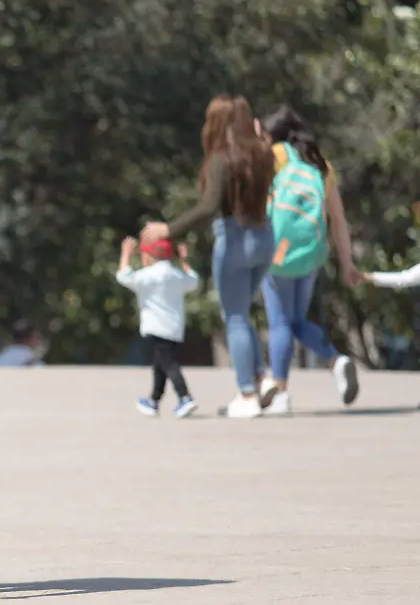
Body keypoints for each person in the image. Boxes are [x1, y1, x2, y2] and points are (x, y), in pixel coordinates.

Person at [141, 94, 276, 419]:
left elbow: (208, 206)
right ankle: (261, 377)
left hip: (235, 238)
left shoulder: (221, 158)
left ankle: (246, 394)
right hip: (264, 237)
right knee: (243, 313)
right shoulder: (260, 154)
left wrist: (168, 229)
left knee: (235, 317)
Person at [255, 105, 359, 415]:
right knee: (296, 321)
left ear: (272, 135)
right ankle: (335, 361)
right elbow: (337, 219)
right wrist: (347, 263)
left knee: (279, 323)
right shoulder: (320, 165)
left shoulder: (270, 160)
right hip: (312, 254)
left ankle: (282, 392)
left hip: (277, 252)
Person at [116, 236, 200, 418]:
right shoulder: (177, 275)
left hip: (156, 328)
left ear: (148, 256)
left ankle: (185, 397)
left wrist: (125, 255)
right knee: (160, 364)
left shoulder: (148, 276)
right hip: (175, 328)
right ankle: (154, 401)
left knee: (169, 364)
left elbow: (123, 276)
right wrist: (184, 261)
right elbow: (193, 280)